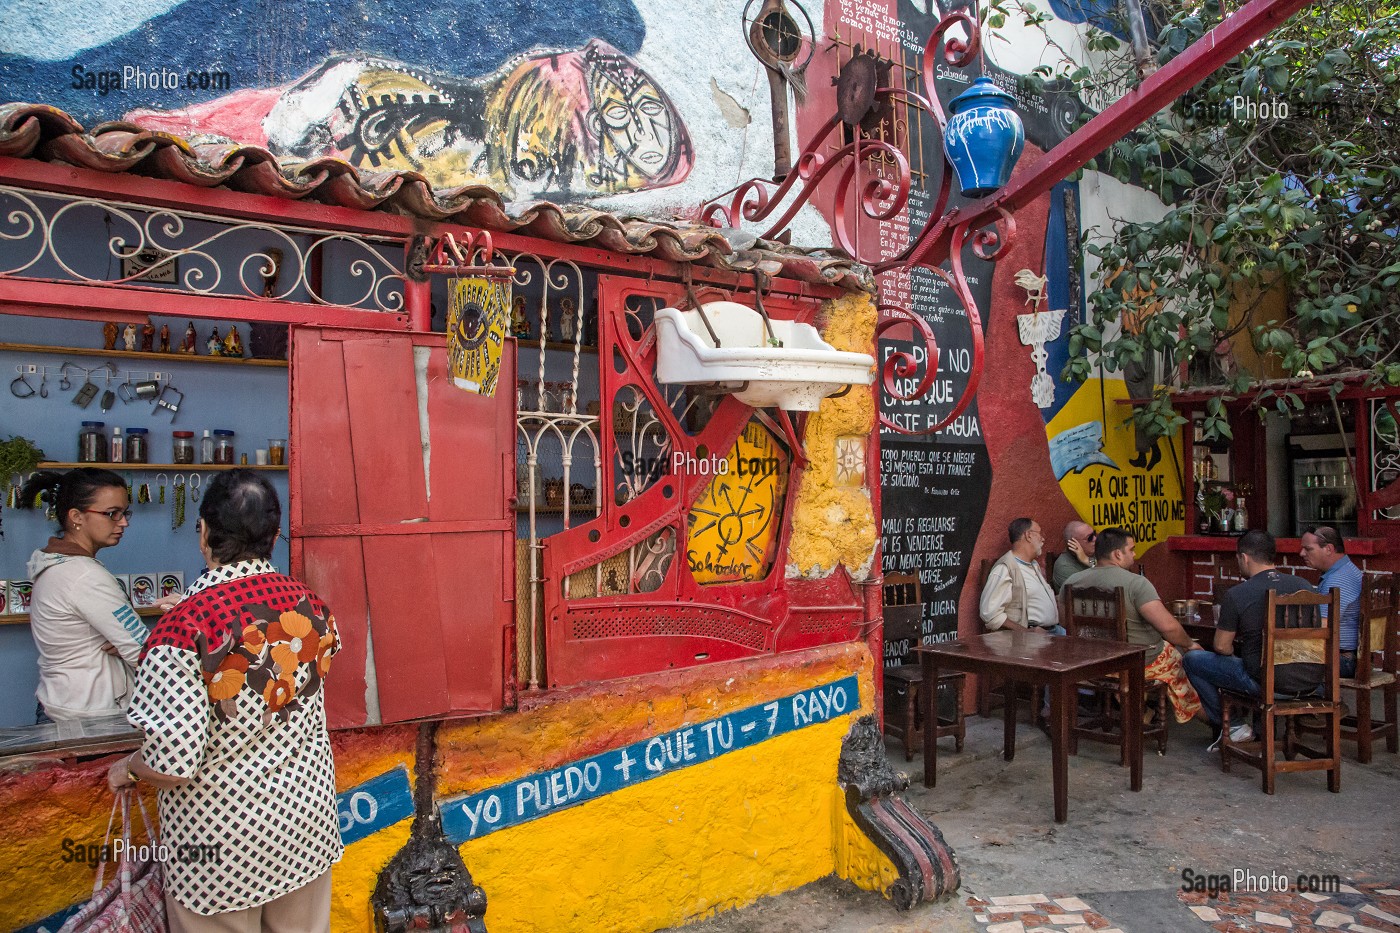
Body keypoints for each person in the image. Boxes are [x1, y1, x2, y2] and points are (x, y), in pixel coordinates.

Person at [108, 470, 341, 931]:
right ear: (275, 536)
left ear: (204, 532)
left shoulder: (182, 630)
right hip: (304, 828)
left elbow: (174, 762)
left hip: (221, 851)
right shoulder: (311, 607)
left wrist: (131, 766)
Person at [18, 468, 150, 722]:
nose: (124, 522)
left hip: (62, 705)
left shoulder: (54, 565)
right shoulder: (84, 576)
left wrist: (125, 643)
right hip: (91, 718)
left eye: (125, 513)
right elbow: (144, 652)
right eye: (112, 514)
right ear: (76, 517)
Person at [1183, 530, 1316, 750]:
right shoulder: (1305, 585)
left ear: (1244, 557)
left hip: (1264, 682)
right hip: (1311, 680)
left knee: (1192, 659)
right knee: (1256, 662)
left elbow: (1221, 646)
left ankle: (1233, 725)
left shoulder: (1238, 593)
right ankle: (1258, 727)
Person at [1063, 527, 1204, 724]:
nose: (1135, 554)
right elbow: (1169, 627)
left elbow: (1063, 621)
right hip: (1133, 663)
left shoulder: (1071, 582)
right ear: (1118, 554)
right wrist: (1190, 644)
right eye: (1132, 549)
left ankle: (1140, 711)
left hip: (1089, 663)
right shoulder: (1136, 583)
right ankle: (1209, 719)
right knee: (1177, 655)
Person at [1299, 525, 1364, 677]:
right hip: (1347, 656)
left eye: (1308, 549)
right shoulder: (1347, 569)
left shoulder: (1338, 579)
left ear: (1328, 549)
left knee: (1277, 662)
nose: (1301, 553)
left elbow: (1322, 627)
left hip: (1342, 660)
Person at [979, 518, 1063, 633]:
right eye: (1039, 534)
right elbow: (991, 615)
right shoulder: (1005, 568)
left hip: (1053, 632)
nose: (1043, 539)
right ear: (1028, 535)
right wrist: (1027, 633)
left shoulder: (1033, 564)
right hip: (1029, 640)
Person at [1052, 520, 1096, 591]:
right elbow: (1092, 591)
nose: (1095, 539)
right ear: (1074, 543)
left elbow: (1110, 573)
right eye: (1089, 537)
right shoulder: (1064, 566)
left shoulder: (1097, 553)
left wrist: (1087, 560)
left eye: (1094, 534)